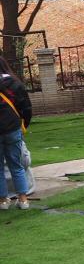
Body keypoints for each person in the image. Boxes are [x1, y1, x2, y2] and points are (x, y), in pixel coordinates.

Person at [0, 56, 33, 211]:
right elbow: (26, 108)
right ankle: (23, 200)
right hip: (13, 129)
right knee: (16, 165)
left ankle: (3, 201)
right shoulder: (15, 84)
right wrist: (23, 126)